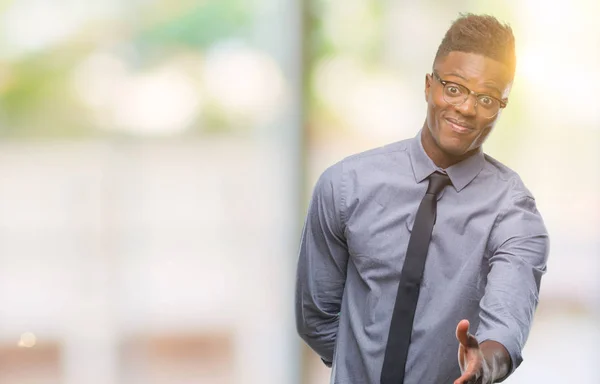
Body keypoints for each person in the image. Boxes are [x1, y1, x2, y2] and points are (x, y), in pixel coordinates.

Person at [295, 13, 549, 384]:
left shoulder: (513, 212)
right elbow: (316, 316)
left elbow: (507, 322)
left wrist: (484, 363)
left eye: (487, 98)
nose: (465, 107)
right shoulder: (345, 185)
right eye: (455, 88)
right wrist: (362, 365)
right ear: (429, 85)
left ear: (501, 108)